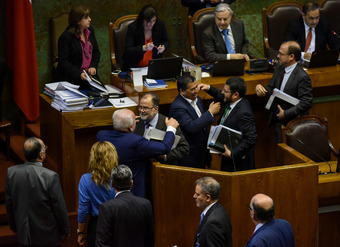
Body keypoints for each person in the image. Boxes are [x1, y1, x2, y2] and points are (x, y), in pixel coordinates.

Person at [96, 108, 178, 198]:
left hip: (108, 189)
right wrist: (171, 128)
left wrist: (128, 121)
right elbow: (164, 148)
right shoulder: (136, 142)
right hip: (132, 192)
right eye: (134, 121)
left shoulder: (101, 135)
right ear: (131, 127)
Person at [5, 137, 70, 247]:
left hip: (24, 235)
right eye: (44, 148)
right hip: (48, 237)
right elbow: (59, 207)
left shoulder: (11, 173)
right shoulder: (50, 176)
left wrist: (14, 227)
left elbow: (9, 204)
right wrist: (65, 230)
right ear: (41, 154)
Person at [255, 41, 313, 143]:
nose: (278, 56)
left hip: (294, 124)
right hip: (279, 121)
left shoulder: (302, 77)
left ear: (291, 57)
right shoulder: (279, 68)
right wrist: (261, 88)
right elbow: (272, 88)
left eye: (281, 54)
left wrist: (286, 113)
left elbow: (306, 102)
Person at [199, 77, 257, 171]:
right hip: (228, 156)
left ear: (235, 94)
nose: (222, 92)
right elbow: (221, 96)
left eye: (225, 91)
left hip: (237, 163)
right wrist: (209, 88)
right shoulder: (235, 101)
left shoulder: (244, 113)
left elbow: (251, 138)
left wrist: (232, 154)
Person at [169, 75, 220, 169]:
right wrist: (210, 113)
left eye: (196, 87)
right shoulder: (177, 107)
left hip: (202, 151)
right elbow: (192, 127)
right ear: (182, 91)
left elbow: (201, 122)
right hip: (190, 156)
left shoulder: (198, 99)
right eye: (192, 89)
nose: (196, 91)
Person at [96, 165, 154, 247]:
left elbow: (102, 244)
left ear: (112, 184)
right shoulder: (146, 204)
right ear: (131, 183)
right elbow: (150, 240)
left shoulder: (106, 208)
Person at [77, 141, 118, 246]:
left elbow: (83, 210)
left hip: (97, 226)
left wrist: (80, 232)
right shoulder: (121, 176)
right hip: (119, 224)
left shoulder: (85, 179)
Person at [134, 92, 189, 165]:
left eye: (145, 108)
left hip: (161, 168)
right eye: (140, 107)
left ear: (156, 109)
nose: (141, 111)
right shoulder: (136, 122)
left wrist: (165, 156)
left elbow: (184, 148)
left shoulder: (170, 124)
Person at [55, 5, 101, 87]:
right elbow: (63, 61)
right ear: (78, 21)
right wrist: (79, 74)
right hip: (72, 79)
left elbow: (96, 52)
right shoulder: (66, 37)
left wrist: (93, 66)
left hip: (89, 77)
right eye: (86, 18)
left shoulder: (90, 31)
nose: (90, 19)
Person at [122, 5, 170, 71]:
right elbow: (128, 51)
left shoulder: (160, 25)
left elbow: (167, 41)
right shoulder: (133, 28)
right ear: (143, 19)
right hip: (135, 67)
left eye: (154, 21)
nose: (152, 24)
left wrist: (163, 47)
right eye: (149, 21)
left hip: (154, 67)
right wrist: (144, 47)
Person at [193, 177, 232, 247]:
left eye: (197, 194)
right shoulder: (220, 209)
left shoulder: (213, 222)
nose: (194, 196)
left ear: (208, 198)